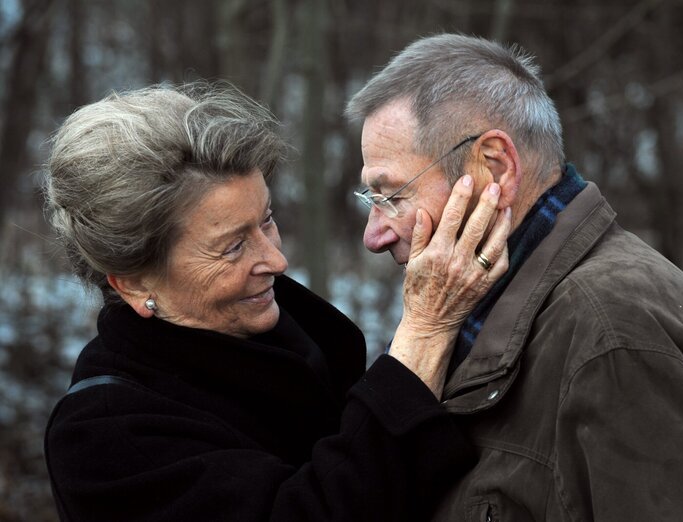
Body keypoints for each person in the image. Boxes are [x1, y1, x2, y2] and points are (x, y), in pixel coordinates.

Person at [346, 33, 683, 521]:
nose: (374, 236)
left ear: (494, 167)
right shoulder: (491, 322)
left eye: (391, 196)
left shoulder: (615, 332)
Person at [43, 82, 512, 521]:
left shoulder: (292, 333)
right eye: (232, 247)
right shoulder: (105, 436)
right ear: (133, 284)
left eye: (266, 220)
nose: (276, 259)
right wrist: (426, 329)